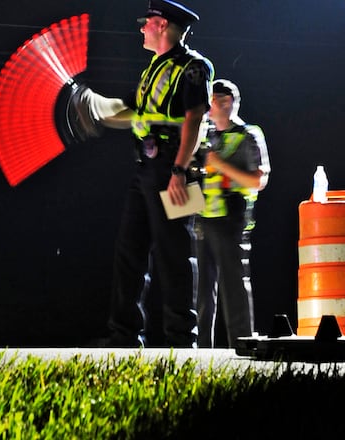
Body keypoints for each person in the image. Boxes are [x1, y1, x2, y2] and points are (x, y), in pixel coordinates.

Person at [92, 0, 214, 347]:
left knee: (176, 254)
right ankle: (124, 336)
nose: (141, 27)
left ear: (161, 24)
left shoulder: (194, 67)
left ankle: (181, 339)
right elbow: (128, 109)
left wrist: (179, 169)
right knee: (129, 251)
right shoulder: (153, 70)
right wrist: (90, 104)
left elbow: (195, 118)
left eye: (146, 22)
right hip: (146, 168)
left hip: (179, 169)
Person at [196, 79, 270, 347]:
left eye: (212, 101)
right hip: (202, 219)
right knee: (201, 290)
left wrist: (219, 164)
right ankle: (200, 350)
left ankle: (241, 346)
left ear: (226, 103)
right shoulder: (205, 136)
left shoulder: (248, 135)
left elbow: (257, 181)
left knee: (233, 286)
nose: (207, 108)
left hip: (232, 219)